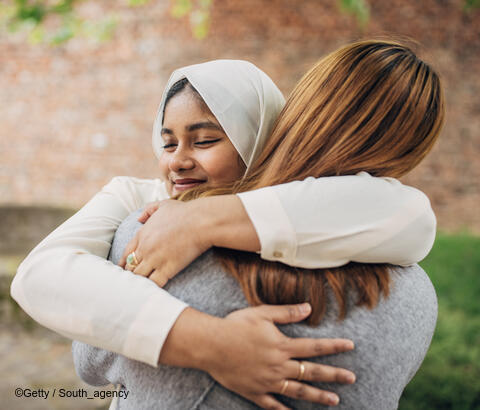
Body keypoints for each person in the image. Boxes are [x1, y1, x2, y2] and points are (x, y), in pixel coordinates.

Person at [12, 51, 437, 408]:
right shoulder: (140, 201)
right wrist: (214, 342)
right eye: (167, 142)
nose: (176, 160)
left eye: (204, 140)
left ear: (261, 136)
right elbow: (39, 275)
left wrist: (202, 219)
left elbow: (91, 361)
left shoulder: (155, 230)